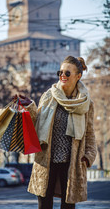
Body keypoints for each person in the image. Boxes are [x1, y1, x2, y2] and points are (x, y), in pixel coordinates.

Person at [18, 55, 97, 209]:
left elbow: (89, 133)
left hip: (72, 163)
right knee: (44, 205)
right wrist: (29, 107)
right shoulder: (48, 96)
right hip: (46, 161)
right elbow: (37, 122)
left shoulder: (86, 103)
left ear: (78, 76)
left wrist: (88, 157)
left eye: (67, 73)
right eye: (60, 72)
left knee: (68, 205)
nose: (62, 75)